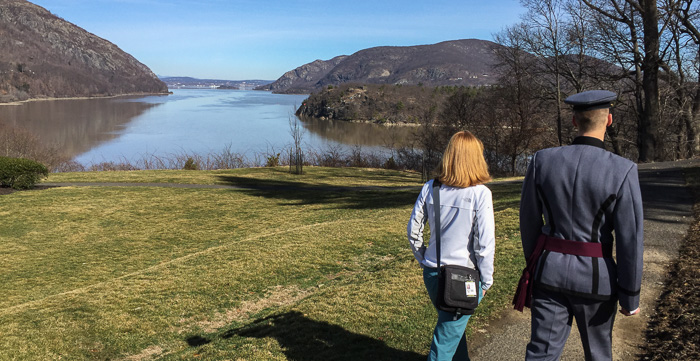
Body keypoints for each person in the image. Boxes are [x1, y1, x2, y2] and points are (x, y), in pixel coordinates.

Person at [516, 90, 644, 360]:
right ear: (609, 120)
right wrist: (630, 297)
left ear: (574, 122)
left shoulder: (542, 160)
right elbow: (630, 239)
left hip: (548, 271)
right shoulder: (623, 170)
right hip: (597, 280)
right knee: (598, 355)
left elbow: (528, 221)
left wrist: (535, 262)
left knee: (540, 353)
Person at [408, 130, 495, 361]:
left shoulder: (430, 187)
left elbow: (413, 231)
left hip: (433, 273)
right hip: (464, 279)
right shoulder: (481, 194)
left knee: (453, 328)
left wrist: (423, 257)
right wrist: (486, 280)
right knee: (446, 339)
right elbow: (484, 245)